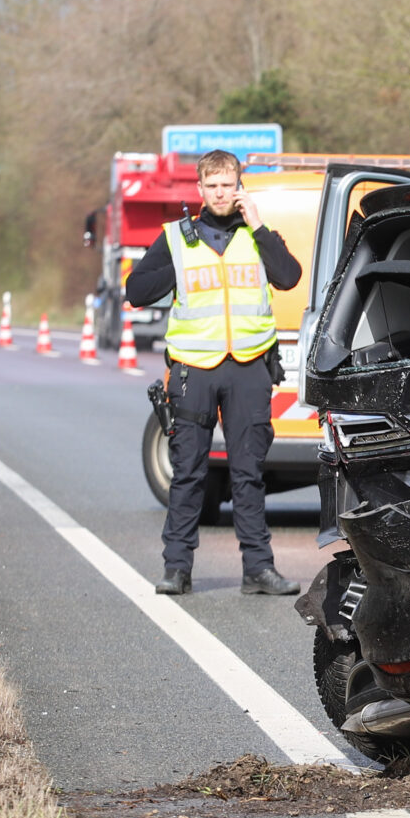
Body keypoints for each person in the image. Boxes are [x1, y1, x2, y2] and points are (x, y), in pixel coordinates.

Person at [120, 149, 303, 596]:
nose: (221, 193)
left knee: (248, 473)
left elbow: (289, 277)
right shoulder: (176, 238)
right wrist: (176, 276)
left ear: (239, 187)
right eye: (213, 185)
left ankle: (258, 570)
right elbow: (136, 291)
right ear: (200, 190)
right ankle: (177, 568)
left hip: (248, 368)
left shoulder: (258, 236)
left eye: (228, 184)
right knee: (188, 474)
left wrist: (258, 225)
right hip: (194, 371)